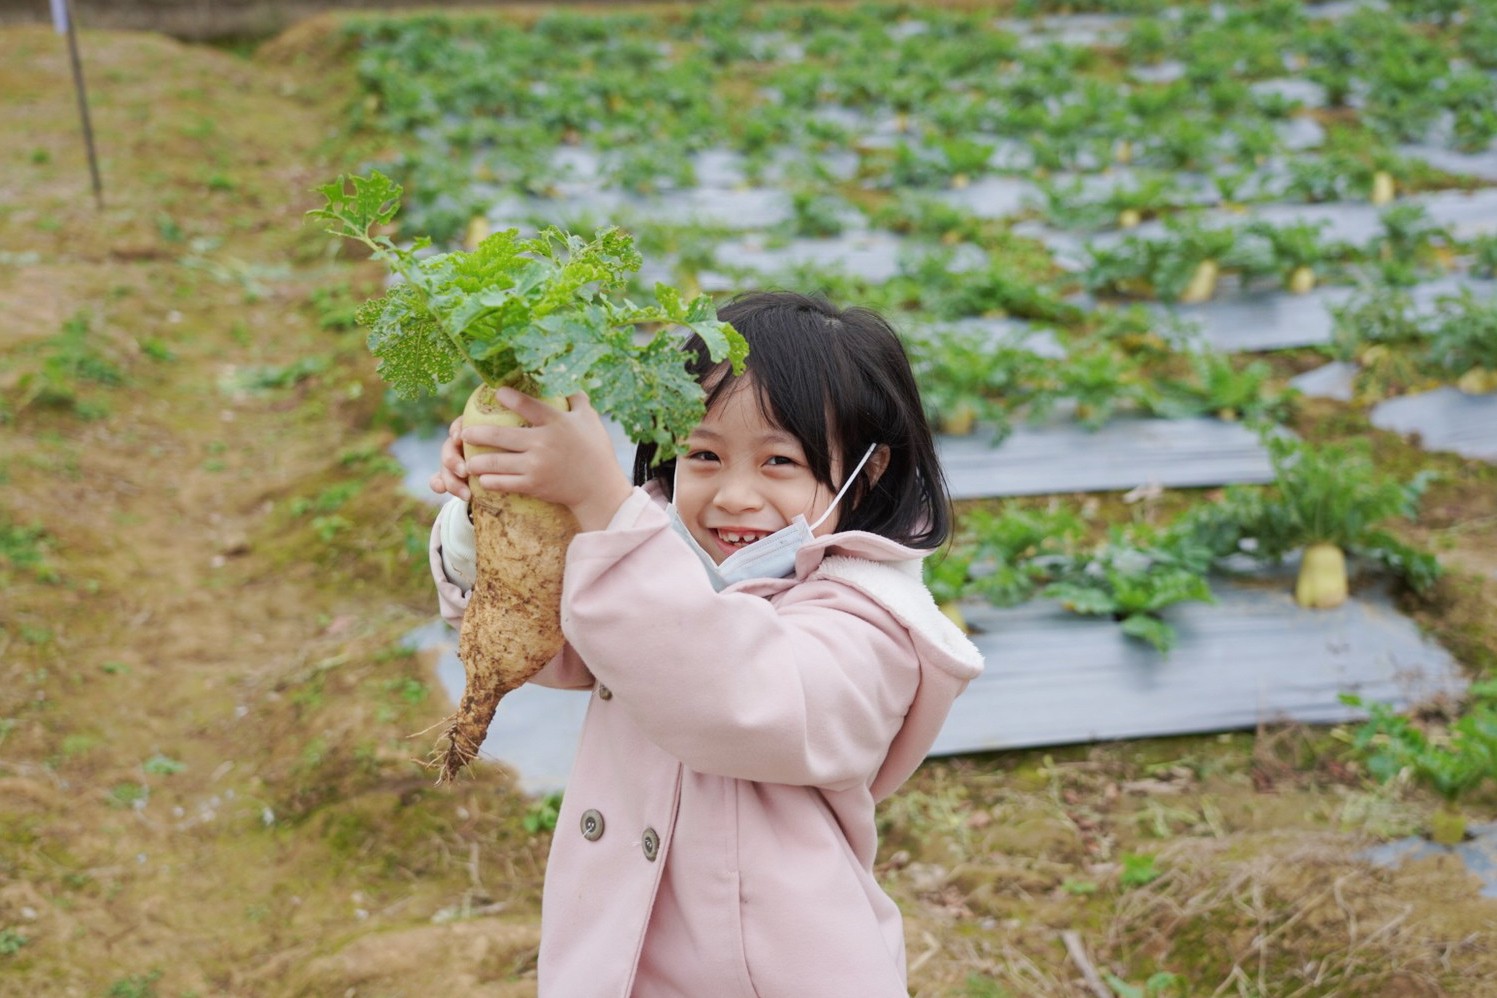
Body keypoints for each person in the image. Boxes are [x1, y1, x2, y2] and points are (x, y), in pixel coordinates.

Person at [428, 290, 983, 997]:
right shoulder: (663, 552)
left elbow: (735, 696)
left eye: (778, 462)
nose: (734, 496)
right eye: (704, 455)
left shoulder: (872, 622)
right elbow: (560, 637)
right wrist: (495, 502)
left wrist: (604, 507)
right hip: (624, 949)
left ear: (864, 473)